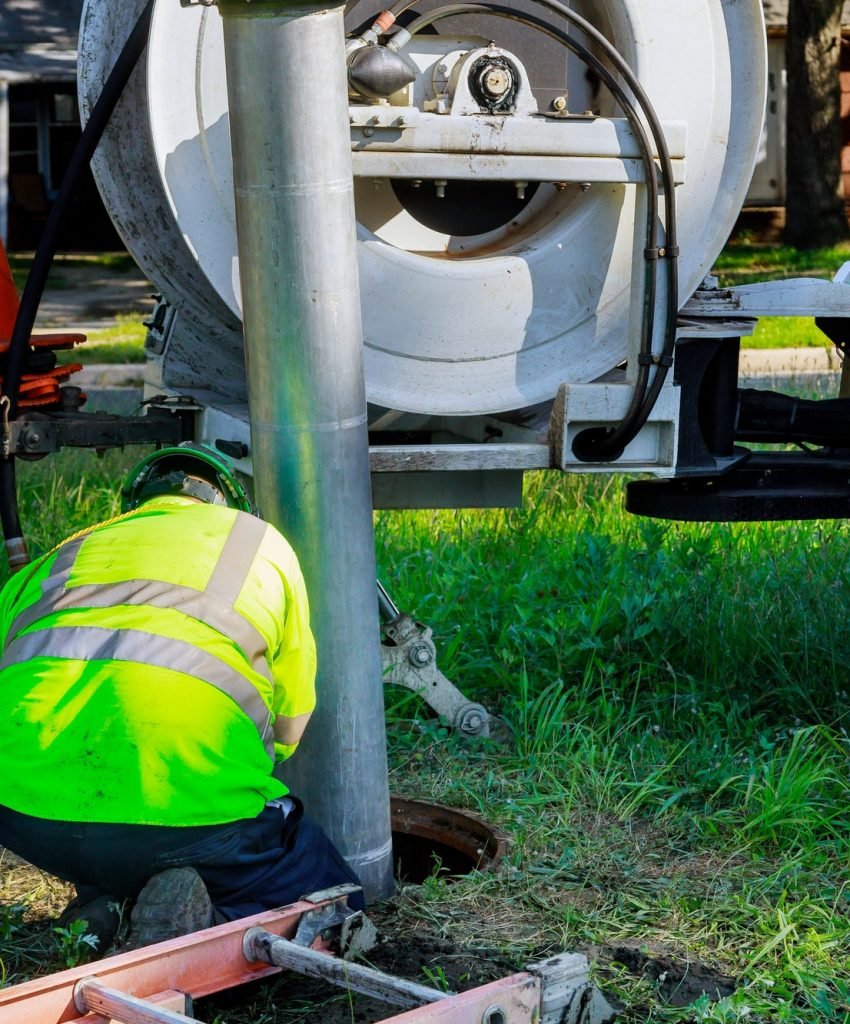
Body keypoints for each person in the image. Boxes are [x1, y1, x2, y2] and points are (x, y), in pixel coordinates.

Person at [0, 443, 362, 953]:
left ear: (136, 507)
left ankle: (106, 909)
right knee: (337, 893)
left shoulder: (55, 558)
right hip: (183, 812)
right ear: (231, 503)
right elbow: (290, 722)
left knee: (116, 843)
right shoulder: (260, 543)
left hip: (22, 815)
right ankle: (204, 926)